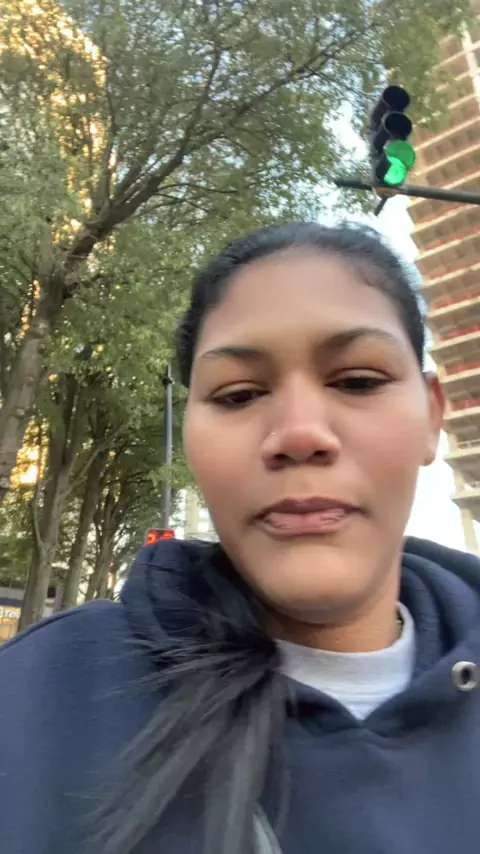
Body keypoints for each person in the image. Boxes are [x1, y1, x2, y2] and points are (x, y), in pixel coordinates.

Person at [1, 222, 480, 854]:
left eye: (358, 381)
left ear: (433, 416)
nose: (300, 434)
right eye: (239, 394)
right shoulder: (36, 695)